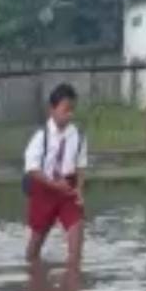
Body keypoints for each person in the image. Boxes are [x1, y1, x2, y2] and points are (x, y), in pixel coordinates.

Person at [24, 83, 88, 265]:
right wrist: (54, 185)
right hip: (44, 188)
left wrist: (80, 192)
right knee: (36, 241)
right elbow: (32, 169)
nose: (70, 114)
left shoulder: (79, 136)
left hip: (68, 189)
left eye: (72, 110)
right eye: (66, 110)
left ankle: (73, 285)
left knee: (77, 233)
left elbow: (81, 166)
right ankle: (33, 278)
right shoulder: (40, 136)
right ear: (52, 109)